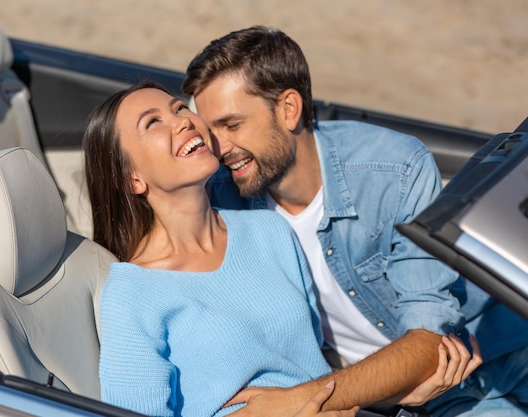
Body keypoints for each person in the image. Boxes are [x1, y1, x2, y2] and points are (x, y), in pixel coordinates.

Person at [182, 26, 528, 416]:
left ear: (289, 109)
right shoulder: (219, 198)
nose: (220, 148)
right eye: (210, 131)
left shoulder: (393, 170)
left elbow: (428, 341)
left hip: (504, 349)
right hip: (436, 398)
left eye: (232, 125)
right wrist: (371, 395)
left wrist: (298, 401)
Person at [83, 82, 473, 417]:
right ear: (130, 178)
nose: (183, 120)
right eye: (153, 122)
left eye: (180, 107)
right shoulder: (132, 292)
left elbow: (312, 372)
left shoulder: (268, 230)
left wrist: (396, 393)